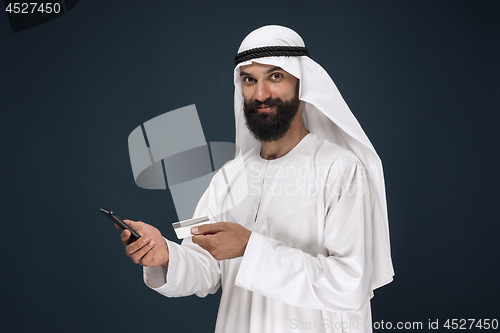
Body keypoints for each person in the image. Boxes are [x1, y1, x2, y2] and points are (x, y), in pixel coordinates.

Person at [118, 25, 394, 333]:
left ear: (301, 83)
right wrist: (166, 254)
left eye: (275, 77)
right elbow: (207, 267)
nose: (260, 94)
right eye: (250, 80)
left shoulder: (341, 170)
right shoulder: (229, 177)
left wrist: (250, 247)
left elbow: (348, 285)